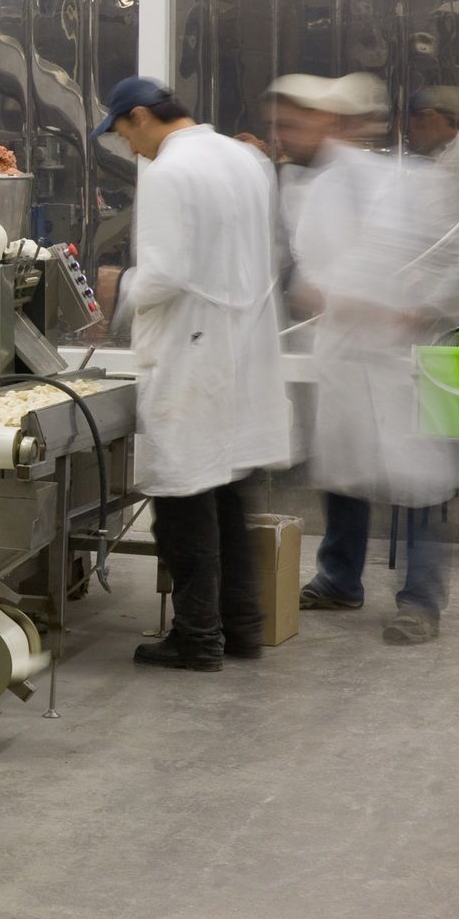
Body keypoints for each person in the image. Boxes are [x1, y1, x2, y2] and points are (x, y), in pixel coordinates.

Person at [93, 76, 291, 670]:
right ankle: (242, 627)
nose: (129, 148)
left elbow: (164, 275)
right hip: (242, 348)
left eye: (123, 134)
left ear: (139, 116)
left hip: (192, 352)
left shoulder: (169, 171)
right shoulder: (246, 159)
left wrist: (117, 290)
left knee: (182, 499)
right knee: (228, 493)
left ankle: (198, 637)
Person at [272, 72, 459, 645]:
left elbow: (457, 258)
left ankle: (421, 600)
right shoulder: (309, 189)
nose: (287, 135)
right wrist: (319, 293)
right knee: (344, 474)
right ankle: (339, 579)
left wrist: (421, 310)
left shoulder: (414, 182)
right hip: (345, 355)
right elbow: (311, 270)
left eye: (297, 123)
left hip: (401, 357)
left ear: (337, 123)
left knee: (418, 488)